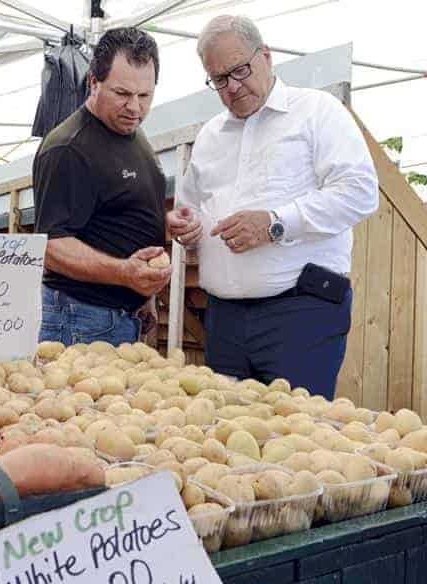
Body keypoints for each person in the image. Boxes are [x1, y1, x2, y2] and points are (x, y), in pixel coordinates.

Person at [168, 15, 378, 399]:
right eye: (219, 79)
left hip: (300, 315)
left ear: (266, 56)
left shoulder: (317, 112)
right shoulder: (211, 134)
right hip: (224, 320)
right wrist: (185, 226)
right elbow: (191, 207)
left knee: (296, 439)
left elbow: (360, 191)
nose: (232, 87)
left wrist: (275, 224)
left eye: (240, 70)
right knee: (224, 436)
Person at [34, 27, 171, 347]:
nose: (135, 108)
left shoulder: (133, 133)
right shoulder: (68, 148)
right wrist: (125, 273)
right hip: (80, 318)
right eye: (122, 94)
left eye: (144, 95)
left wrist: (143, 293)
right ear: (94, 83)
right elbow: (52, 247)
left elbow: (121, 217)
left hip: (120, 314)